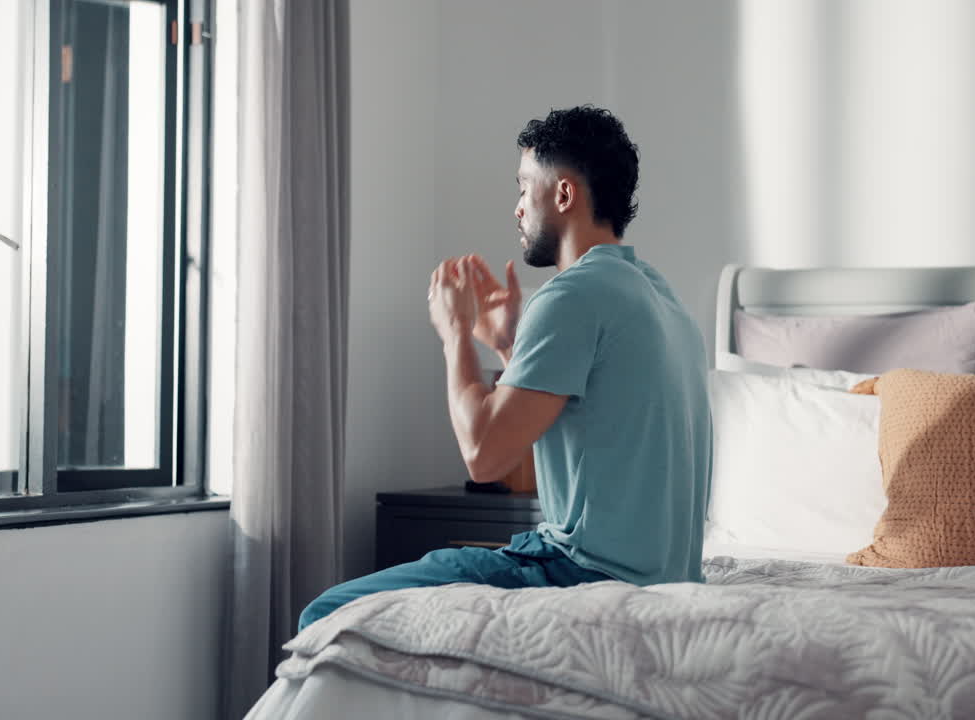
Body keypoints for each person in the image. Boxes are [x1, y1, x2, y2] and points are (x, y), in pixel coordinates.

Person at [297, 105, 712, 632]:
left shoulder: (573, 295)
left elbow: (485, 457)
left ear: (563, 195)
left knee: (329, 613)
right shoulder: (662, 299)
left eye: (523, 188)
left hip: (578, 574)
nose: (517, 209)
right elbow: (581, 420)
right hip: (670, 584)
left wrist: (454, 335)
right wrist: (504, 345)